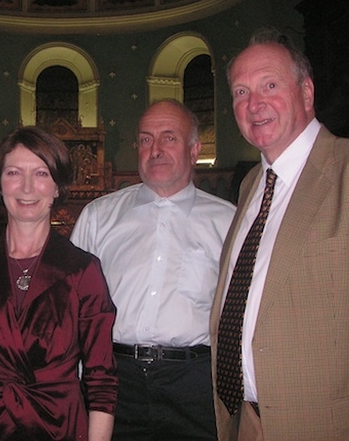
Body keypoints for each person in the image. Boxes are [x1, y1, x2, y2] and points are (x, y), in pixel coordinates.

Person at [210, 27, 349, 440]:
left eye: (270, 84)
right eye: (240, 92)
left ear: (306, 92)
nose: (254, 104)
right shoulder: (252, 183)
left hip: (334, 426)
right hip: (244, 422)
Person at [71, 99, 236, 440]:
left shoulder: (230, 222)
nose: (155, 149)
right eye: (146, 139)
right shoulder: (98, 216)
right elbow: (71, 311)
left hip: (195, 386)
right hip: (114, 383)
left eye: (169, 138)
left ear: (194, 150)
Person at [0, 126, 118, 440]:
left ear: (58, 186)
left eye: (40, 173)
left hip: (62, 428)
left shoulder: (83, 271)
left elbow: (101, 380)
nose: (26, 187)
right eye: (13, 173)